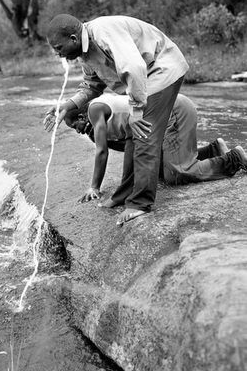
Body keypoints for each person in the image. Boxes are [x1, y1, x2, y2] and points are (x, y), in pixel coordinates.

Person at [44, 13, 189, 224]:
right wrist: (67, 106)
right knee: (134, 133)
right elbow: (91, 86)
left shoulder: (103, 31)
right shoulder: (86, 55)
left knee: (143, 133)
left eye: (58, 48)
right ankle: (124, 194)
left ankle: (140, 203)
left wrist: (137, 111)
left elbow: (135, 67)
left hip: (162, 69)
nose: (58, 54)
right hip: (145, 81)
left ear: (73, 39)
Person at [64, 93, 247, 224]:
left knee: (176, 174)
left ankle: (234, 158)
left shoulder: (95, 111)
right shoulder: (100, 122)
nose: (78, 131)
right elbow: (132, 147)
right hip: (167, 111)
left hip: (172, 111)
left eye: (75, 126)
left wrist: (97, 188)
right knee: (158, 169)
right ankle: (214, 150)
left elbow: (102, 152)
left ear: (82, 116)